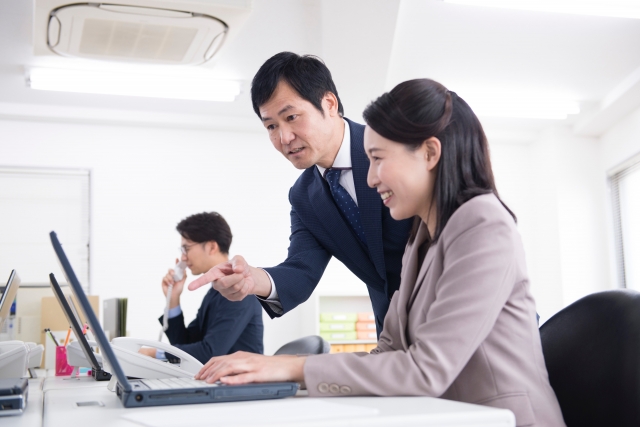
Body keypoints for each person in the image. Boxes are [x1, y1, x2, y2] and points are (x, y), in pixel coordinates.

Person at [192, 80, 566, 427]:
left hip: (502, 414)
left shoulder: (482, 223)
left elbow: (426, 368)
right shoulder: (419, 238)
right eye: (271, 126)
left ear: (430, 153)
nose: (370, 178)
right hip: (443, 407)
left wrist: (291, 368)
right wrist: (275, 352)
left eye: (378, 159)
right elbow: (381, 349)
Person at [188, 52, 413, 334]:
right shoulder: (303, 196)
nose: (284, 138)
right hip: (391, 331)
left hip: (450, 311)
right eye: (271, 126)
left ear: (329, 104)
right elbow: (301, 270)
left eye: (292, 117)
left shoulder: (395, 146)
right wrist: (253, 278)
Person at [139, 212, 264, 364]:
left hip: (241, 378)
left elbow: (210, 352)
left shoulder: (239, 289)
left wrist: (154, 353)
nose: (183, 258)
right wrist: (173, 299)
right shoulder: (215, 293)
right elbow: (184, 344)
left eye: (186, 248)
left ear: (211, 247)